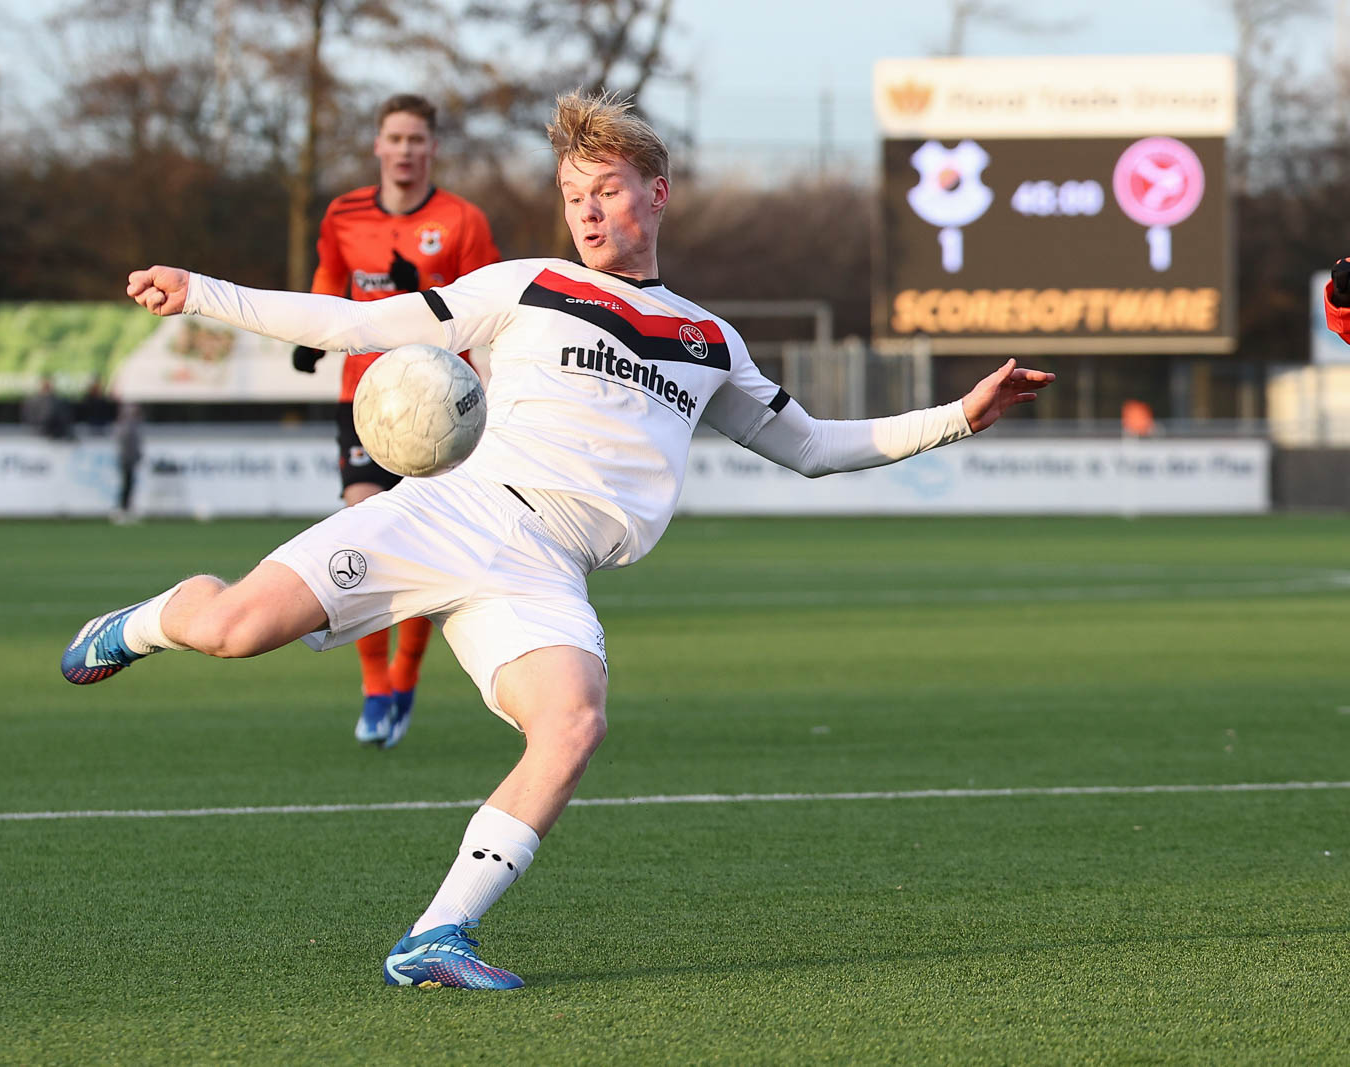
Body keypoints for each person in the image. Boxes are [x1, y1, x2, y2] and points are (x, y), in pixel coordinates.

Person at [62, 90, 1054, 990]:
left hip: (542, 570)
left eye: (605, 189)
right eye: (572, 193)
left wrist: (957, 416)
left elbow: (813, 447)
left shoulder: (709, 341)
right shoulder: (527, 283)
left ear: (655, 194)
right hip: (449, 509)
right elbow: (358, 323)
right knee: (233, 627)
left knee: (573, 724)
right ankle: (142, 621)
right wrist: (202, 291)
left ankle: (436, 933)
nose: (583, 210)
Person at [293, 93, 501, 751]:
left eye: (417, 138)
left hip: (442, 409)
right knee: (360, 527)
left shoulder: (462, 220)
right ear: (378, 146)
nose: (406, 149)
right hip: (367, 401)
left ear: (432, 147)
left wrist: (436, 313)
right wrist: (314, 326)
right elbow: (332, 274)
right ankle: (375, 687)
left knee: (415, 549)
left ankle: (405, 676)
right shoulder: (343, 213)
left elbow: (493, 303)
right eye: (395, 138)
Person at [112, 402, 145, 523]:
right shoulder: (128, 426)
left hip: (128, 459)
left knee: (129, 485)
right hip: (127, 459)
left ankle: (126, 509)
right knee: (127, 485)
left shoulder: (127, 425)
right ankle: (122, 510)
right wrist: (134, 456)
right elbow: (129, 444)